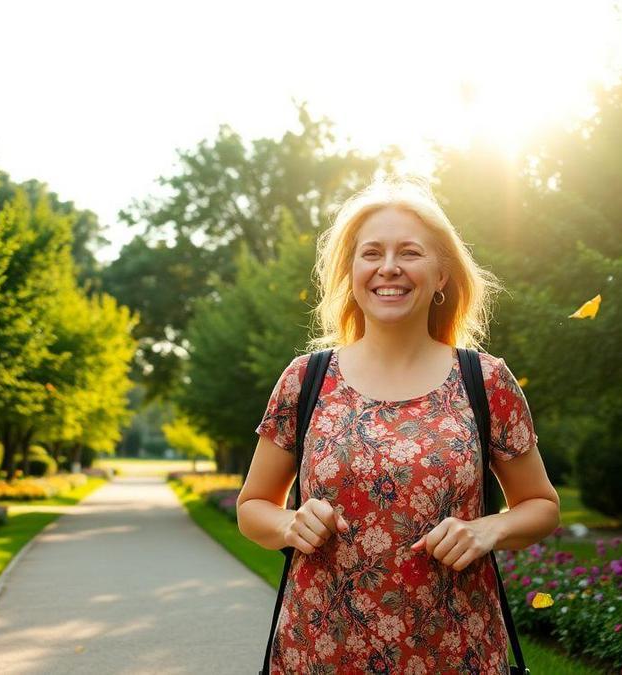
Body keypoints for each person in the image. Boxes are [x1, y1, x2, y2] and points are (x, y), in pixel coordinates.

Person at [237, 175, 561, 674]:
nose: (389, 268)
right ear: (351, 271)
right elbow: (252, 507)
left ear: (442, 276)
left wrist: (488, 530)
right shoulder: (305, 380)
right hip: (319, 653)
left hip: (459, 653)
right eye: (371, 253)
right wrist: (288, 522)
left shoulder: (486, 380)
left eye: (410, 252)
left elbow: (541, 507)